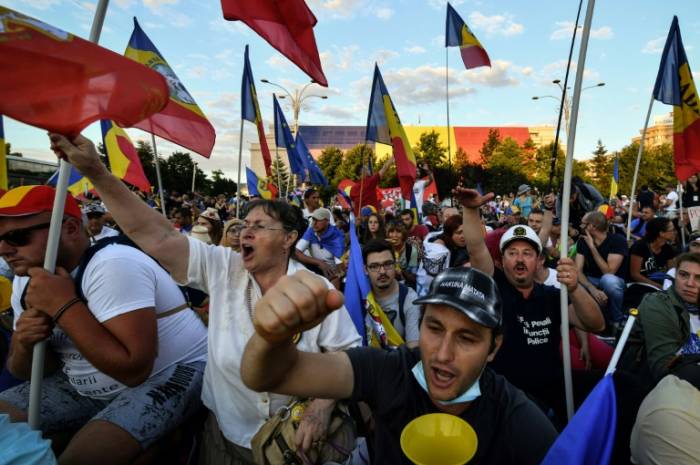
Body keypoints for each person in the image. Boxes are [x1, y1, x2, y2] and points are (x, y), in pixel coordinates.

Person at [47, 134, 361, 465]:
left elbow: (349, 355)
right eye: (244, 226)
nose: (245, 233)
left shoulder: (316, 287)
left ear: (288, 238)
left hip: (293, 445)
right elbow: (159, 236)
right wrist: (97, 171)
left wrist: (320, 408)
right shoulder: (223, 267)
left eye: (259, 226)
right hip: (225, 437)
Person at [240, 267, 558, 465]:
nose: (443, 354)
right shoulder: (390, 370)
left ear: (494, 348)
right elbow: (267, 375)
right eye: (434, 328)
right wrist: (271, 336)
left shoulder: (516, 418)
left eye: (466, 338)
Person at [0, 185, 208, 465]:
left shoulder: (113, 263)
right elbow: (27, 370)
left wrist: (63, 305)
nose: (4, 249)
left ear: (71, 228)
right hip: (82, 385)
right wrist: (25, 342)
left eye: (17, 237)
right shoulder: (26, 279)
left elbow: (134, 370)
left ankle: (173, 440)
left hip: (169, 374)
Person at [453, 187, 605, 420]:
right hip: (507, 395)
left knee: (617, 385)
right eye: (512, 253)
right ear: (501, 262)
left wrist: (575, 288)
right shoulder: (495, 288)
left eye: (527, 253)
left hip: (553, 387)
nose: (520, 259)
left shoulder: (553, 296)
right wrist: (471, 209)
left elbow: (596, 324)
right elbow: (475, 247)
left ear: (539, 261)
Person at [622, 252, 700, 384]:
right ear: (675, 276)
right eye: (683, 275)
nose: (690, 283)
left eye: (699, 278)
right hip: (653, 387)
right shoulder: (657, 304)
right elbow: (664, 369)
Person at [362, 239, 420, 346]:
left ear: (395, 264)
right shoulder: (360, 298)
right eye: (374, 266)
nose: (382, 271)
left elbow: (414, 348)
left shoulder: (409, 299)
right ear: (365, 269)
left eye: (387, 264)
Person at [575, 211, 628, 325]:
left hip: (615, 280)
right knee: (573, 283)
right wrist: (591, 288)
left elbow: (609, 272)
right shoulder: (582, 241)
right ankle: (586, 323)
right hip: (591, 279)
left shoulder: (618, 240)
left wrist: (592, 247)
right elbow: (578, 270)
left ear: (592, 227)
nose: (580, 226)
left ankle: (617, 321)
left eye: (584, 224)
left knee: (609, 281)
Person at [295, 208, 346, 285]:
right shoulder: (311, 231)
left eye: (318, 220)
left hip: (332, 273)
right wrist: (320, 263)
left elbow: (340, 268)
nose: (314, 223)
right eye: (313, 219)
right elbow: (296, 252)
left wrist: (335, 278)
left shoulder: (336, 236)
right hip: (315, 268)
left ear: (327, 221)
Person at [629, 217, 677, 288]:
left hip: (659, 285)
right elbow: (635, 274)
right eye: (672, 230)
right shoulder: (640, 247)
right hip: (640, 286)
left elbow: (672, 272)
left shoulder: (668, 249)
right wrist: (658, 286)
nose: (675, 232)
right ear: (661, 233)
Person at [386, 222, 419, 289]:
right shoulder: (385, 249)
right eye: (391, 232)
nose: (394, 235)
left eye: (398, 232)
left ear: (403, 235)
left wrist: (401, 272)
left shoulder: (411, 251)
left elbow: (414, 278)